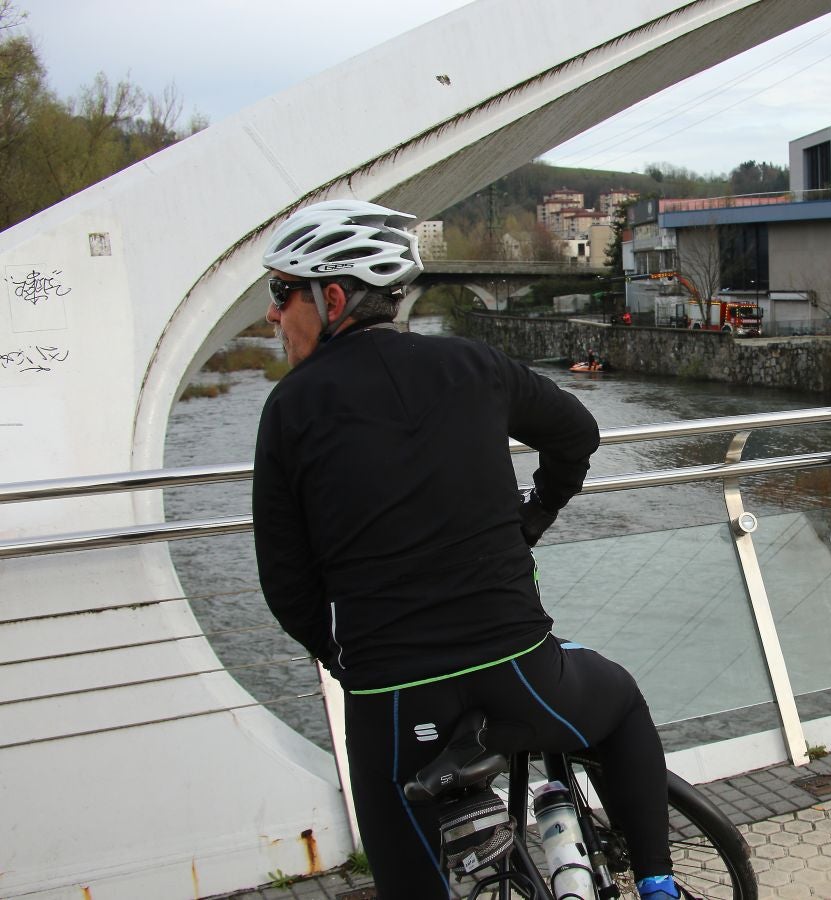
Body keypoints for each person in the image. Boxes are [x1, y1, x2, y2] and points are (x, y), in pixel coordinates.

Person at [252, 199, 696, 899]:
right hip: (517, 671)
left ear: (331, 299)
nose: (272, 314)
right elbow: (576, 434)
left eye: (281, 293)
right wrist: (533, 518)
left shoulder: (289, 408)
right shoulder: (472, 363)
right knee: (619, 705)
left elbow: (286, 583)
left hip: (392, 696)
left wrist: (349, 660)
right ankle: (658, 886)